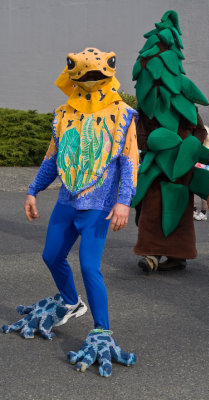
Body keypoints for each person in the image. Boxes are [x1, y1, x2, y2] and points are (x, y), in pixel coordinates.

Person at [4, 48, 138, 376]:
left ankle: (102, 330)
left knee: (90, 266)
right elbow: (53, 158)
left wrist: (123, 201)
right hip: (68, 199)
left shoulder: (122, 114)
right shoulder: (64, 113)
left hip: (100, 205)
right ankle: (69, 302)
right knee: (51, 256)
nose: (91, 77)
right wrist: (33, 190)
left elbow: (129, 160)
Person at [131, 10, 209, 273]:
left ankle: (177, 255)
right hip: (157, 163)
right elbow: (140, 133)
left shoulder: (184, 98)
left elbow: (199, 130)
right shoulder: (147, 106)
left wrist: (186, 148)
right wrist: (149, 144)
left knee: (177, 209)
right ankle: (153, 253)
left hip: (180, 166)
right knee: (151, 208)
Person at [194, 126, 209, 221]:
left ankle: (203, 213)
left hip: (205, 174)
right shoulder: (197, 147)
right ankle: (194, 210)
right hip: (195, 173)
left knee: (203, 196)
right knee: (191, 191)